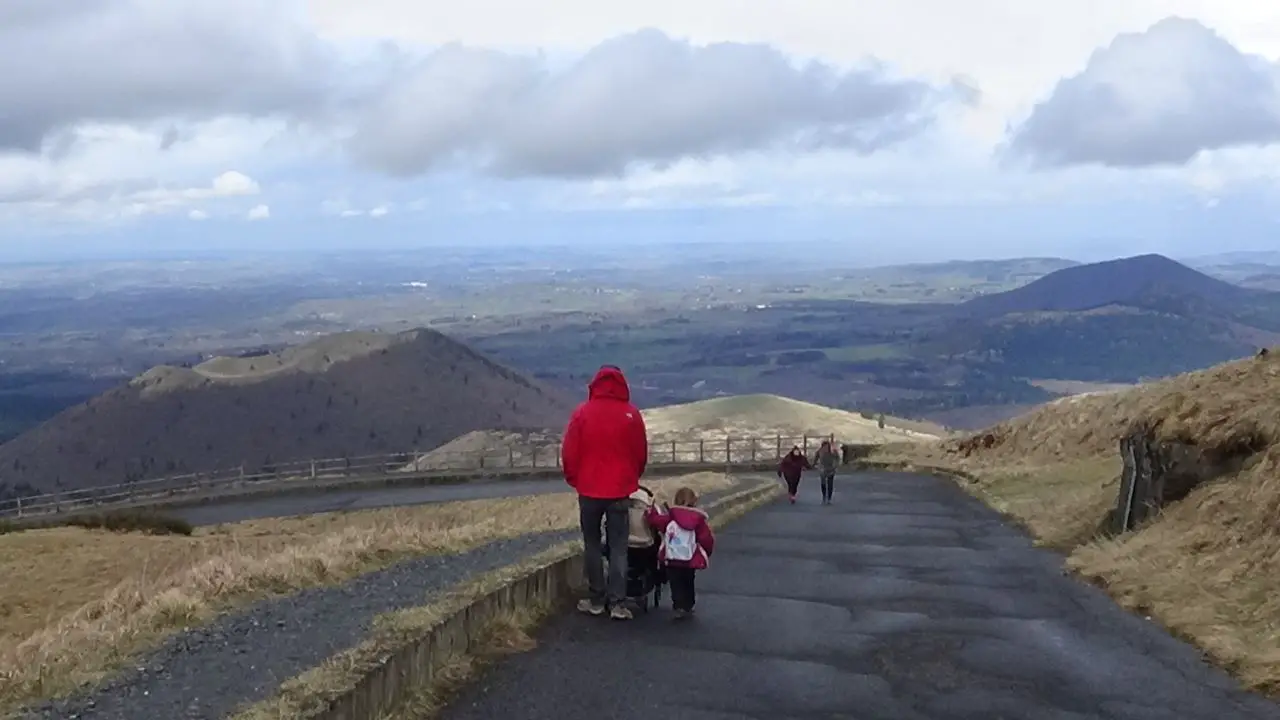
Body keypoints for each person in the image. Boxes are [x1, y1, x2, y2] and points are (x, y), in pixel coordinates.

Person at [561, 364, 649, 621]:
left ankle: (597, 599)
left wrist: (575, 479)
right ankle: (618, 603)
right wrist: (631, 477)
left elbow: (569, 451)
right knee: (619, 546)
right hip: (620, 490)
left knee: (591, 544)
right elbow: (640, 453)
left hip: (588, 489)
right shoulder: (631, 415)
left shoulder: (582, 413)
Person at [646, 486, 716, 620]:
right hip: (689, 559)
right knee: (688, 580)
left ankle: (678, 605)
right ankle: (688, 604)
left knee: (675, 582)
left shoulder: (670, 517)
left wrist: (651, 512)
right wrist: (706, 551)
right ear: (694, 502)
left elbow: (656, 521)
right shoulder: (698, 520)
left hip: (672, 557)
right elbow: (706, 538)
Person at [814, 439, 840, 505]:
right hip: (822, 469)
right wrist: (814, 465)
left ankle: (829, 498)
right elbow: (815, 459)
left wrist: (835, 465)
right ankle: (824, 497)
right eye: (824, 447)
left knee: (830, 483)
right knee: (823, 483)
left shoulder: (833, 451)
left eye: (827, 446)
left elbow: (837, 458)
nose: (825, 448)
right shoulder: (819, 451)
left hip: (831, 469)